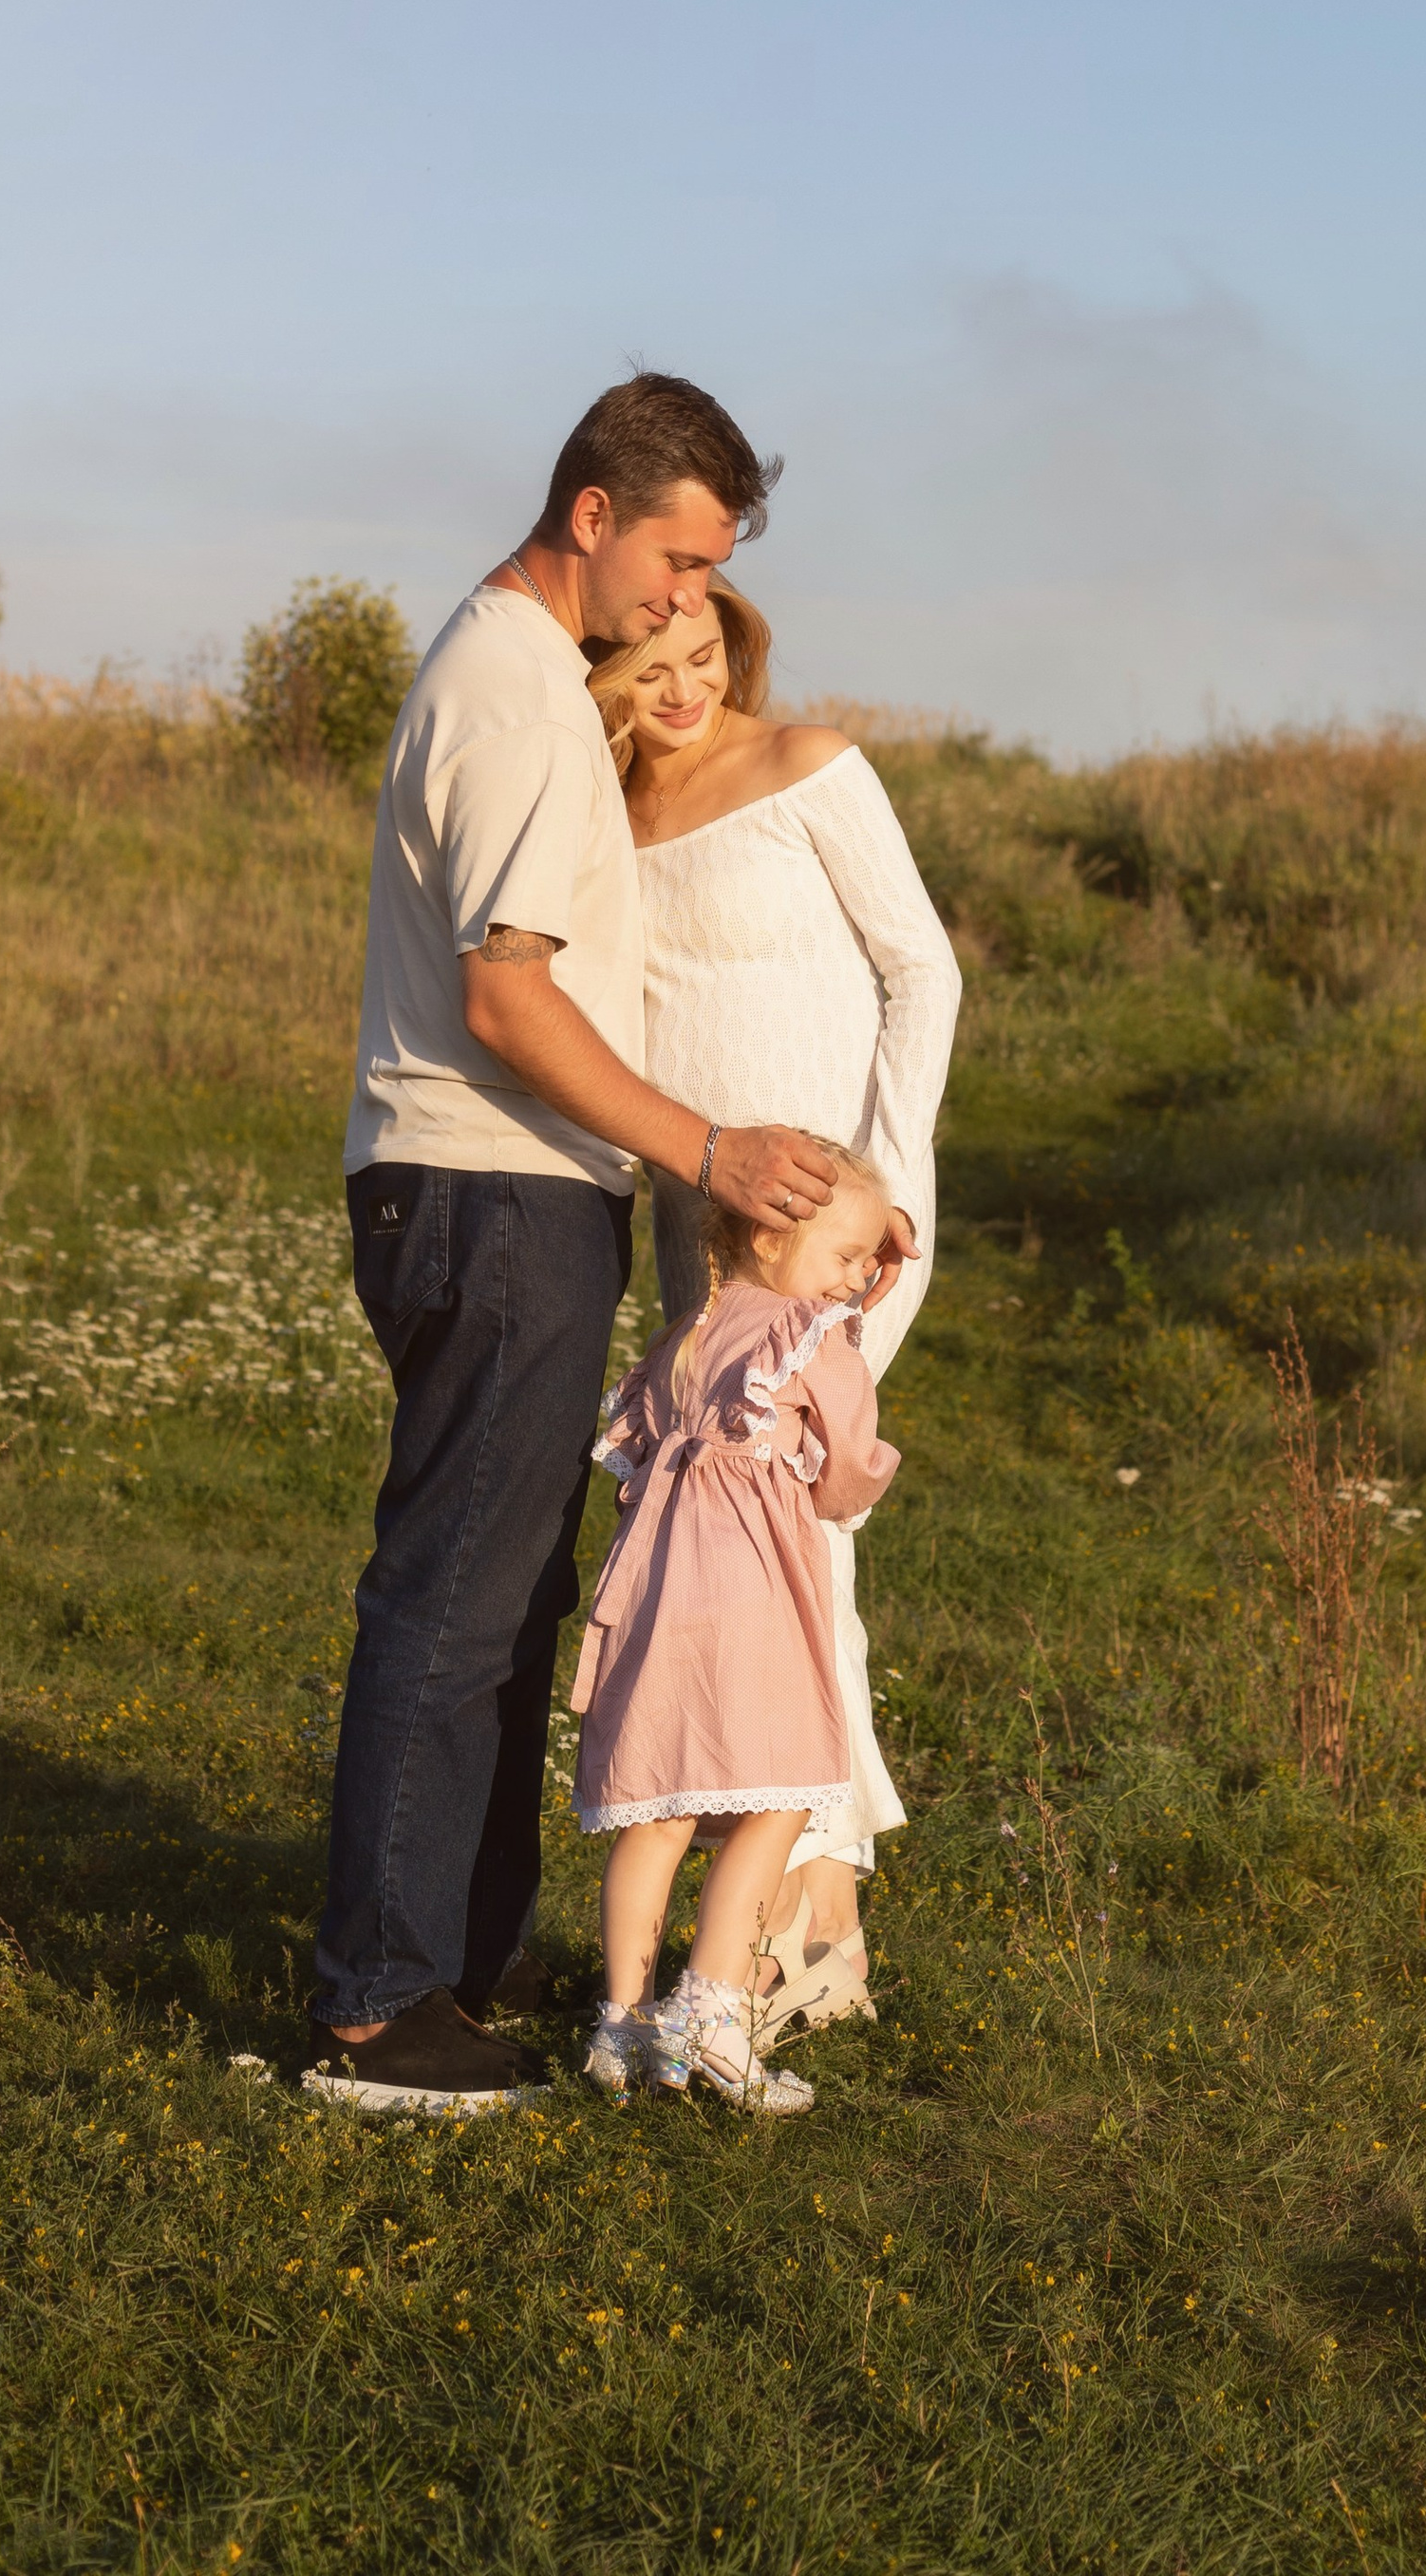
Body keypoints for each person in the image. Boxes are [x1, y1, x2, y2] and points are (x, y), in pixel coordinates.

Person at [306, 373, 914, 2115]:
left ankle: (446, 1970)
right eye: (676, 557)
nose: (685, 600)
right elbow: (509, 1000)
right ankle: (380, 2004)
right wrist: (712, 1150)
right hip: (489, 1183)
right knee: (457, 1594)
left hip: (517, 1193)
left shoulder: (538, 692)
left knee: (507, 1591)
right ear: (593, 516)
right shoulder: (509, 695)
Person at [586, 579, 960, 2033]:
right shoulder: (598, 817)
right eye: (644, 664)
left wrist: (882, 1192)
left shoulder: (810, 767)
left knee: (805, 1534)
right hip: (705, 1231)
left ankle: (805, 1918)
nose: (681, 689)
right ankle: (768, 1922)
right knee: (718, 1548)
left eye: (701, 658)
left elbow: (921, 971)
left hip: (841, 1235)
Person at [571, 1146, 902, 2114]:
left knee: (659, 1810)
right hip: (751, 1594)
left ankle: (623, 2022)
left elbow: (632, 1460)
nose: (854, 1279)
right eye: (847, 1256)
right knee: (783, 1792)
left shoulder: (690, 1333)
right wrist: (833, 1488)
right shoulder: (812, 1340)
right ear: (770, 1232)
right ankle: (713, 2010)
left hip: (659, 1592)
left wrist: (855, 1256)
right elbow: (849, 1470)